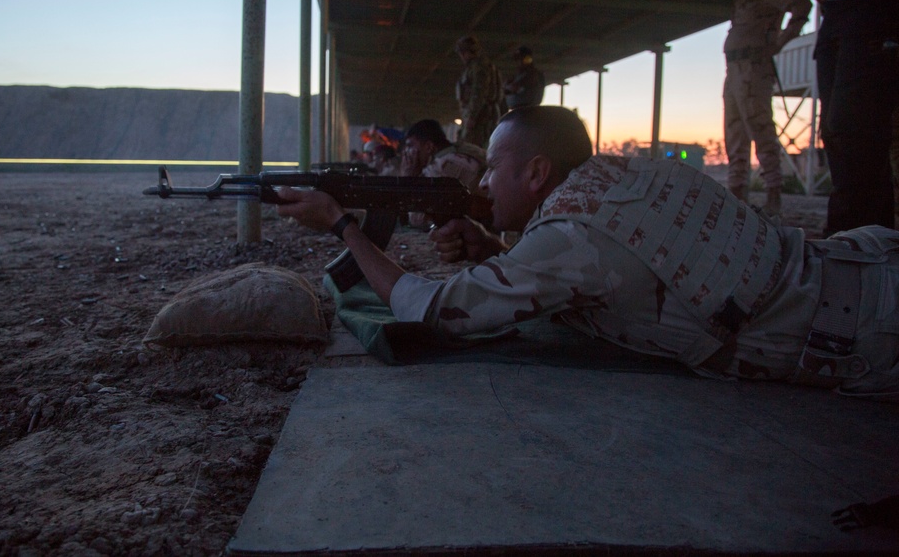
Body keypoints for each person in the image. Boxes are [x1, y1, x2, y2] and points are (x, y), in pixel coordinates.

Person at [277, 105, 899, 400]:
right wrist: (497, 249)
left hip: (872, 334)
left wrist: (342, 227)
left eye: (494, 169)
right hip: (865, 265)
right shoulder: (632, 174)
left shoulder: (570, 243)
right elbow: (616, 265)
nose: (484, 184)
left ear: (539, 172)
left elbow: (428, 307)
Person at [790, 0, 899, 236]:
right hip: (837, 11)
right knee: (838, 134)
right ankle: (863, 240)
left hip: (879, 3)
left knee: (855, 133)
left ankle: (860, 244)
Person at [720, 0, 812, 216]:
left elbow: (801, 4)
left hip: (753, 69)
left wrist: (781, 41)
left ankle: (774, 194)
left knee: (759, 127)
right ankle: (737, 192)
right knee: (734, 132)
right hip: (735, 69)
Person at [399, 118, 487, 227]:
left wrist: (408, 178)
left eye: (410, 146)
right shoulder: (462, 151)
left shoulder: (442, 167)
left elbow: (417, 219)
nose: (406, 152)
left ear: (429, 147)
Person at [454, 35, 505, 148]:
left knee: (473, 148)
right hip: (480, 114)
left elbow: (479, 92)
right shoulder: (476, 66)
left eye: (462, 52)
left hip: (481, 116)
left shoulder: (479, 66)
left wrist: (472, 116)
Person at [503, 45, 546, 110]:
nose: (517, 62)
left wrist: (506, 86)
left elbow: (515, 87)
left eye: (519, 59)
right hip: (519, 109)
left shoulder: (532, 74)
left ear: (527, 59)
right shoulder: (521, 75)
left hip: (526, 110)